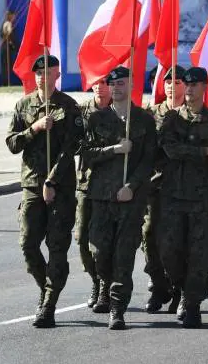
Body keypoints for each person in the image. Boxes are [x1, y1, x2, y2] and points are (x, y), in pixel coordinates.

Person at [5, 54, 82, 328]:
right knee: (28, 245)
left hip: (59, 188)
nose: (43, 77)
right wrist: (34, 129)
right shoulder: (23, 105)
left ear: (57, 75)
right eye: (39, 73)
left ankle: (48, 305)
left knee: (57, 248)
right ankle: (46, 287)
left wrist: (51, 181)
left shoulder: (69, 107)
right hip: (31, 186)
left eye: (49, 72)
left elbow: (69, 149)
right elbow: (12, 143)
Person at [82, 66, 156, 330]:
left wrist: (132, 186)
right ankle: (103, 281)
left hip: (130, 199)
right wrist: (114, 149)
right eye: (112, 84)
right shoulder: (97, 119)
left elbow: (149, 160)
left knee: (124, 255)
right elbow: (86, 155)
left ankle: (117, 309)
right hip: (101, 196)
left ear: (131, 84)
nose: (115, 87)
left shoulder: (144, 121)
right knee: (99, 252)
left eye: (121, 83)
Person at [159, 67, 208, 328]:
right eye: (187, 84)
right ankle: (180, 286)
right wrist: (207, 150)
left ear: (204, 88)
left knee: (198, 254)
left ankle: (193, 302)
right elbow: (171, 150)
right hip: (173, 196)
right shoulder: (173, 119)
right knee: (170, 252)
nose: (190, 89)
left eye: (195, 84)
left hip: (201, 198)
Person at [143, 65, 185, 314]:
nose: (172, 85)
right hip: (155, 187)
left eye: (178, 81)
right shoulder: (150, 114)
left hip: (183, 188)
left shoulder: (191, 114)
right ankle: (159, 287)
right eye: (168, 81)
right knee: (150, 238)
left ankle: (180, 289)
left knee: (176, 243)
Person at [75, 75, 111, 309]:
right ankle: (95, 280)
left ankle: (106, 286)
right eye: (95, 82)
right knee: (82, 240)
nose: (99, 87)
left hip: (111, 187)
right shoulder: (81, 113)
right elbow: (78, 147)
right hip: (86, 185)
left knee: (104, 242)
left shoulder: (123, 111)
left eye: (105, 82)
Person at [0, 11, 18, 86]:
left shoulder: (6, 23)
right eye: (13, 16)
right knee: (6, 65)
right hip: (6, 47)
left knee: (6, 65)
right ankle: (6, 83)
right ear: (10, 16)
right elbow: (9, 32)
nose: (14, 18)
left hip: (5, 46)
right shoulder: (8, 23)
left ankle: (6, 82)